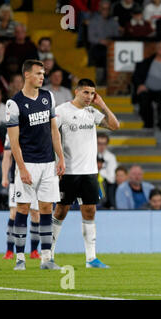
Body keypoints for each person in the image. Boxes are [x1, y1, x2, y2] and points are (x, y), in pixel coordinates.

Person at [51, 78, 119, 268]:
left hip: (89, 172)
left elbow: (115, 125)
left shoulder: (92, 112)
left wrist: (102, 104)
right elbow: (51, 137)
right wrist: (58, 161)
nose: (89, 97)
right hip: (68, 171)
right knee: (61, 211)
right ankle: (48, 254)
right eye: (86, 92)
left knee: (89, 211)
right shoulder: (62, 111)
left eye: (92, 93)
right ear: (77, 91)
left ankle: (91, 258)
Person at [6, 59, 65, 270]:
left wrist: (61, 158)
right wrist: (21, 168)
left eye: (43, 73)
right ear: (27, 75)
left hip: (48, 163)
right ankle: (20, 259)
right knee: (22, 208)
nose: (42, 77)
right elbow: (13, 141)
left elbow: (54, 131)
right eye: (39, 73)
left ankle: (47, 258)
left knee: (46, 208)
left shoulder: (48, 97)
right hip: (28, 162)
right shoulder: (14, 104)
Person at [1, 133, 41, 260]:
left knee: (35, 213)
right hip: (16, 178)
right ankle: (9, 251)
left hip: (36, 177)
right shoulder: (12, 132)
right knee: (14, 213)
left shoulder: (36, 127)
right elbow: (7, 156)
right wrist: (4, 176)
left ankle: (34, 251)